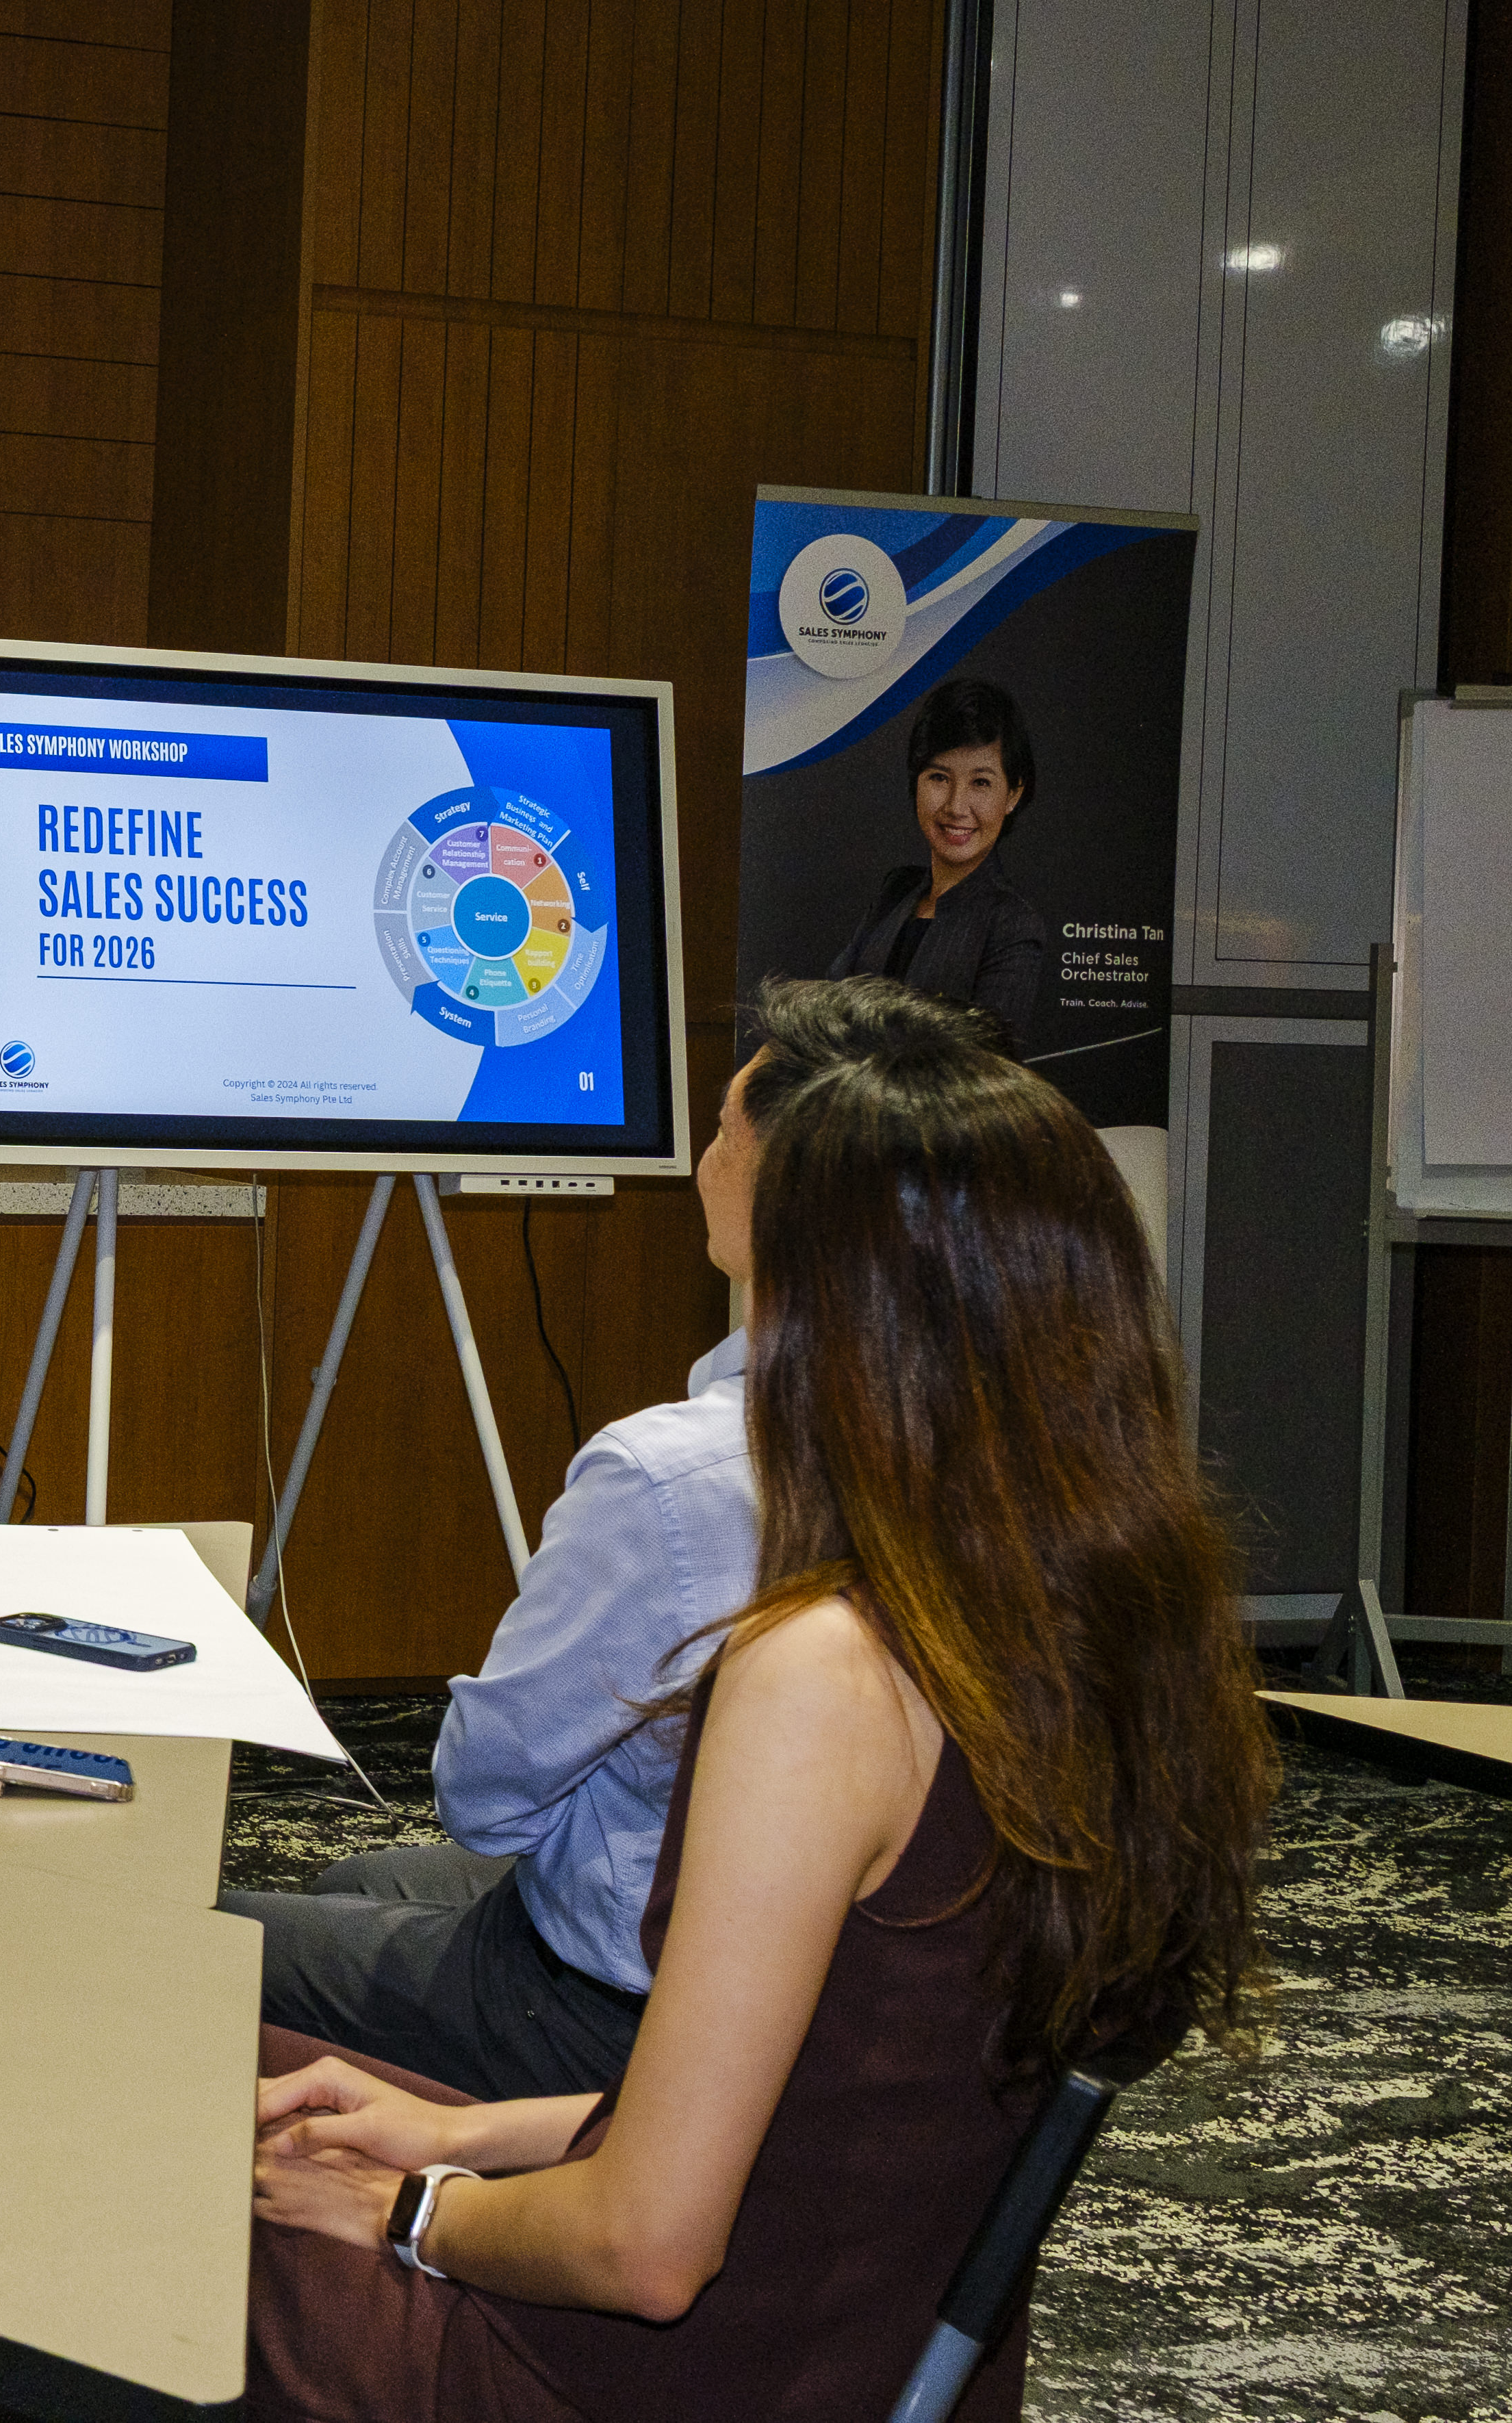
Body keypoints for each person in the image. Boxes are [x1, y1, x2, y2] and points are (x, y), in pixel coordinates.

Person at [236, 1001, 1273, 2421]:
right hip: (867, 2343)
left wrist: (412, 2208)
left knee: (139, 2155)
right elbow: (833, 2105)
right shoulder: (1108, 1621)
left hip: (649, 2374)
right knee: (264, 2068)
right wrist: (451, 2129)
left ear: (814, 1289)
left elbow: (648, 2249)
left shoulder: (827, 1671)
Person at [216, 979, 1010, 2103]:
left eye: (725, 1129)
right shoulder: (1003, 1443)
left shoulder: (674, 1478)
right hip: (865, 1988)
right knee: (364, 1875)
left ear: (784, 1184)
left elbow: (486, 1798)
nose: (702, 1159)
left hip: (616, 2013)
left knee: (202, 1933)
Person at [825, 676, 1049, 1047]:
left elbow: (981, 1077)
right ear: (917, 781)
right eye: (940, 778)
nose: (956, 807)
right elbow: (822, 1012)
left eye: (981, 783)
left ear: (1012, 795)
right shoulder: (896, 892)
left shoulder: (1013, 926)